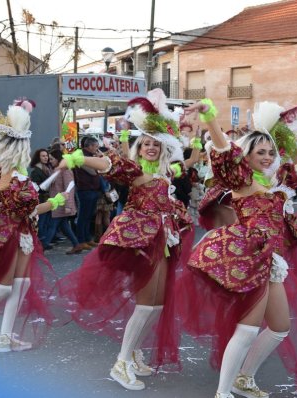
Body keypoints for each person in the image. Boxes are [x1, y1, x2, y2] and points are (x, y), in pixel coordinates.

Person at [179, 99, 297, 398]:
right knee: (246, 330)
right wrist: (209, 117)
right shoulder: (242, 179)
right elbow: (223, 149)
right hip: (247, 255)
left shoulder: (274, 182)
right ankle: (223, 392)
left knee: (280, 327)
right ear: (247, 155)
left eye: (271, 152)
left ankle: (243, 377)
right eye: (261, 152)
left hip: (271, 259)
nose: (268, 157)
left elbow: (296, 167)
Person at [56, 89, 195, 391]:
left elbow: (186, 162)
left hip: (164, 240)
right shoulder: (136, 172)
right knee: (146, 305)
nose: (149, 147)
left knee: (156, 306)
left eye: (156, 144)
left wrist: (195, 132)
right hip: (142, 242)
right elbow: (109, 165)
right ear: (138, 146)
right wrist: (80, 157)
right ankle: (121, 362)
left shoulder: (165, 172)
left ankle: (133, 352)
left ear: (164, 147)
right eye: (145, 142)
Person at [0, 98, 67, 351]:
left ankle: (5, 337)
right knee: (6, 285)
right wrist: (49, 203)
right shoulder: (7, 170)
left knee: (22, 284)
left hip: (23, 230)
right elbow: (14, 201)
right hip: (10, 231)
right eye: (21, 142)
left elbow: (24, 207)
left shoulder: (17, 171)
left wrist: (48, 202)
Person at [43, 149, 81, 254]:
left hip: (62, 203)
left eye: (52, 159)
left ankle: (44, 245)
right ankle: (76, 245)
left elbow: (70, 188)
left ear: (58, 159)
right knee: (64, 227)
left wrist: (68, 205)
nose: (50, 161)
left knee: (53, 225)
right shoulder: (56, 170)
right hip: (57, 202)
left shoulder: (66, 170)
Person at [73, 136, 102, 251]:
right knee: (83, 216)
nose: (97, 149)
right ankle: (81, 240)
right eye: (95, 146)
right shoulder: (81, 156)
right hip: (85, 189)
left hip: (92, 189)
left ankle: (87, 238)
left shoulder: (90, 156)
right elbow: (93, 171)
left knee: (89, 215)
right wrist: (98, 162)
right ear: (89, 146)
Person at [29, 148, 53, 249]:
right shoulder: (36, 171)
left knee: (46, 221)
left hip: (48, 198)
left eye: (46, 155)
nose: (46, 157)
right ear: (38, 158)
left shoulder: (46, 168)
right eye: (43, 156)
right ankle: (41, 242)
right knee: (41, 221)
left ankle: (44, 241)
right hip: (41, 199)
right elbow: (35, 187)